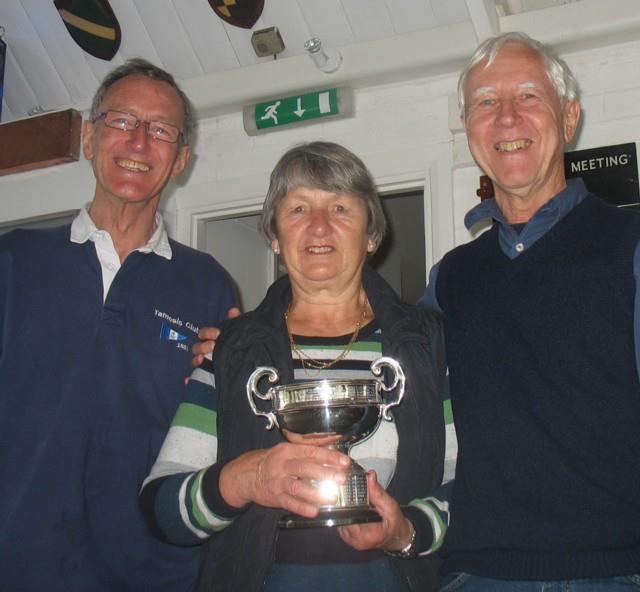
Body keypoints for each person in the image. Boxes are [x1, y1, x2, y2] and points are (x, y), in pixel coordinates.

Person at [140, 141, 448, 591]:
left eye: (341, 208)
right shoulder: (232, 351)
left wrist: (405, 531)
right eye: (299, 209)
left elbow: (469, 487)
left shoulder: (427, 344)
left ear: (372, 234)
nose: (319, 226)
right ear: (275, 237)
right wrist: (244, 480)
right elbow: (160, 507)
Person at [0, 59, 236, 591]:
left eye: (159, 130)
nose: (137, 143)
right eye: (122, 121)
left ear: (180, 160)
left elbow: (213, 432)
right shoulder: (14, 261)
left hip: (153, 573)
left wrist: (233, 371)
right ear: (89, 138)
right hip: (17, 563)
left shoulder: (209, 287)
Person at [419, 32, 640, 590]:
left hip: (612, 571)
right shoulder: (450, 277)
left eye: (528, 97)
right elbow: (383, 366)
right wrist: (253, 344)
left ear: (569, 119)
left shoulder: (631, 245)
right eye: (486, 103)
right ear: (469, 129)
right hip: (477, 573)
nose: (507, 118)